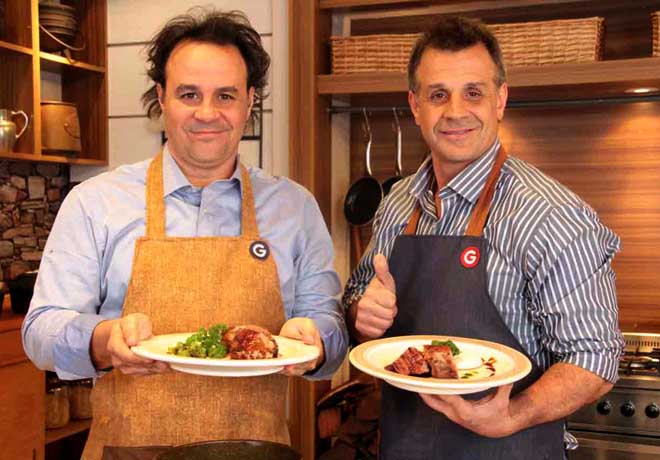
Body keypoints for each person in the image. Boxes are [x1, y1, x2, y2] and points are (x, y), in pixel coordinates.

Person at [22, 8, 348, 460]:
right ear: (162, 97)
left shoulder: (295, 207)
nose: (207, 113)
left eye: (226, 95)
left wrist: (315, 341)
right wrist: (104, 340)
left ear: (250, 101)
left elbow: (332, 337)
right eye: (189, 94)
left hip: (254, 452)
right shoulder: (96, 202)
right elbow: (39, 332)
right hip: (126, 453)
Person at [343, 16, 623, 460]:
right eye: (438, 95)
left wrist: (511, 415)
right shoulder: (397, 203)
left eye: (473, 92)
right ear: (415, 105)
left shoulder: (552, 215)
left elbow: (596, 358)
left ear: (500, 100)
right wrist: (363, 312)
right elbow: (358, 296)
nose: (455, 111)